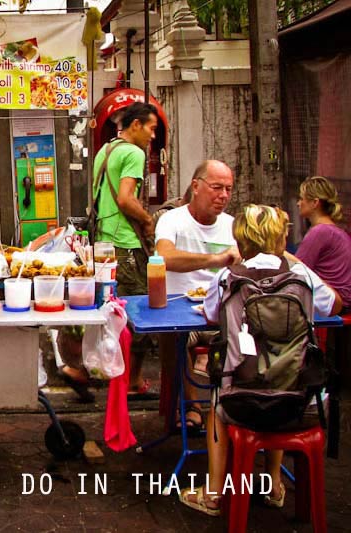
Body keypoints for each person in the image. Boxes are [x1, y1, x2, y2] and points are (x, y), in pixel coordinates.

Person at [179, 204, 341, 516]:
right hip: (298, 399)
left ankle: (213, 494)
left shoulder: (228, 277)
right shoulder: (302, 275)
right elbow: (333, 304)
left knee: (217, 404)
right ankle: (275, 484)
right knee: (280, 371)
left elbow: (213, 315)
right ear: (280, 239)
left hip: (240, 398)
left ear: (242, 241)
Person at [154, 160, 241, 430]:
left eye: (228, 189)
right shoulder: (172, 220)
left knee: (250, 334)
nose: (223, 196)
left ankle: (235, 404)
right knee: (172, 337)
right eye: (216, 187)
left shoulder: (232, 225)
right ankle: (192, 405)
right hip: (181, 311)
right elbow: (164, 257)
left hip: (222, 314)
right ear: (195, 186)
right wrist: (214, 258)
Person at [93, 102, 158, 395]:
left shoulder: (106, 150)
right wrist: (147, 221)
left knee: (107, 312)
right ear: (135, 126)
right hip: (126, 246)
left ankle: (96, 370)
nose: (153, 136)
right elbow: (125, 199)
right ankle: (131, 380)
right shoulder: (133, 152)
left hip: (103, 243)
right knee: (138, 312)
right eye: (151, 128)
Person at [295, 176, 351, 313]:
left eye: (302, 199)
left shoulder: (320, 232)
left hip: (336, 301)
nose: (298, 203)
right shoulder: (333, 230)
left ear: (315, 203)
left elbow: (298, 269)